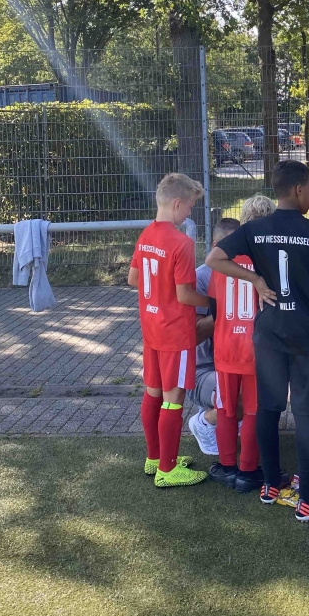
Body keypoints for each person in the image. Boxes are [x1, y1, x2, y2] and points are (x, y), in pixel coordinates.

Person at [206, 161, 309, 523]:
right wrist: (305, 295)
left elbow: (214, 258)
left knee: (268, 408)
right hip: (307, 333)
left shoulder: (254, 229)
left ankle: (269, 484)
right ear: (298, 189)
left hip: (268, 332)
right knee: (307, 413)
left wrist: (254, 279)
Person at [128, 173, 209, 487]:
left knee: (153, 392)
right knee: (173, 398)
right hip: (175, 332)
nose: (189, 212)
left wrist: (158, 292)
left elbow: (134, 279)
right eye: (189, 206)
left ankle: (154, 458)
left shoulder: (146, 234)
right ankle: (167, 469)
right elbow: (185, 295)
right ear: (177, 204)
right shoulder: (181, 242)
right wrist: (214, 302)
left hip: (151, 329)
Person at [208, 195, 277, 491]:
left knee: (225, 407)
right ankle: (248, 470)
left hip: (226, 344)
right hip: (257, 347)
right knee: (252, 410)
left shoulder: (224, 257)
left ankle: (227, 466)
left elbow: (214, 306)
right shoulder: (271, 256)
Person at [187, 218, 240, 458]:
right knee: (237, 396)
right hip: (203, 369)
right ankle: (205, 421)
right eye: (231, 246)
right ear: (216, 246)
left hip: (237, 363)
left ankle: (232, 416)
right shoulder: (201, 278)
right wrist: (226, 310)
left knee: (266, 392)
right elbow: (194, 334)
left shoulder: (247, 272)